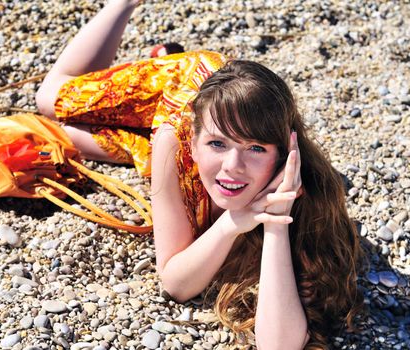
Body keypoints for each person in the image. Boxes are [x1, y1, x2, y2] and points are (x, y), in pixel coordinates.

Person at [35, 1, 364, 349]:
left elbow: (279, 345)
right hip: (179, 86)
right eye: (219, 145)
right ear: (193, 143)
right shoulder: (173, 142)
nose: (232, 166)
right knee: (48, 100)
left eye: (255, 148)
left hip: (207, 124)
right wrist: (233, 222)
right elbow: (175, 282)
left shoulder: (308, 192)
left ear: (283, 154)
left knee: (72, 137)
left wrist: (274, 224)